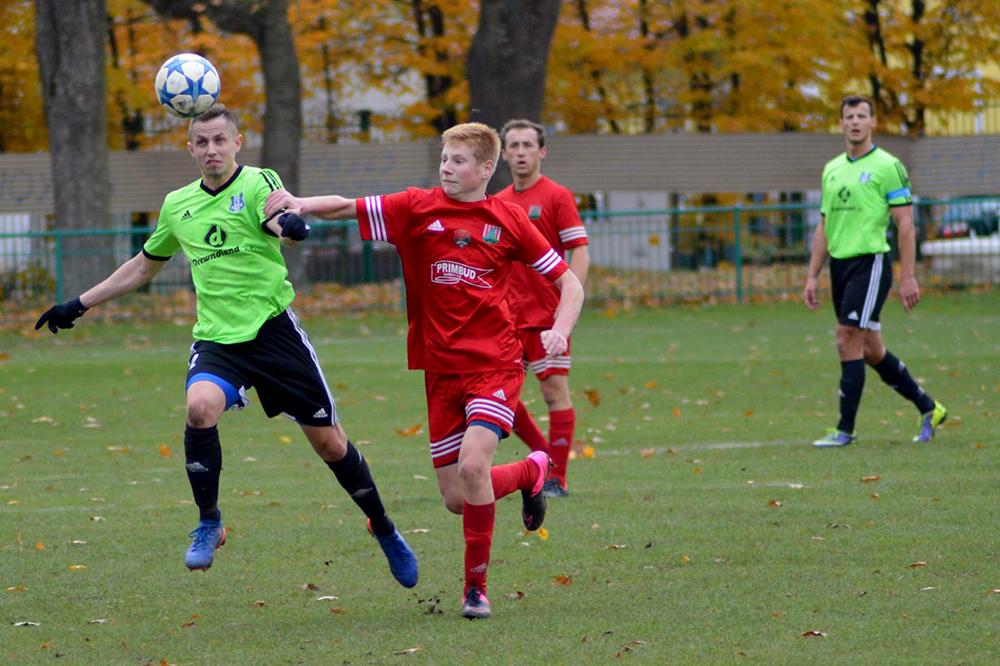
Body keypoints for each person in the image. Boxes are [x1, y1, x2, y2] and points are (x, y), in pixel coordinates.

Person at [34, 105, 418, 588]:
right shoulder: (178, 205)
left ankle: (383, 526)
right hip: (218, 340)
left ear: (237, 143)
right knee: (199, 408)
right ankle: (210, 521)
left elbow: (277, 217)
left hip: (275, 335)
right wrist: (78, 303)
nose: (212, 150)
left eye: (220, 140)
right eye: (202, 142)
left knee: (329, 443)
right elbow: (142, 266)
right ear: (190, 148)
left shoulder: (258, 182)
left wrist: (291, 228)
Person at [263, 122, 585, 619]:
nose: (447, 168)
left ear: (484, 169)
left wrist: (560, 329)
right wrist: (302, 204)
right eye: (444, 159)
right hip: (439, 372)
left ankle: (475, 590)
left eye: (459, 161)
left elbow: (571, 284)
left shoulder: (510, 219)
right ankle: (530, 471)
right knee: (458, 497)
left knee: (474, 466)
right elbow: (350, 207)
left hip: (494, 365)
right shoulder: (417, 207)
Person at [803, 95, 947, 447]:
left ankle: (844, 430)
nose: (855, 121)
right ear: (841, 124)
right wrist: (812, 275)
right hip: (840, 266)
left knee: (846, 337)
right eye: (849, 116)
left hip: (871, 264)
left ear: (872, 123)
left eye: (861, 116)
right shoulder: (832, 169)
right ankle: (929, 408)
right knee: (870, 351)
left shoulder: (888, 166)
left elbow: (906, 224)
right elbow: (823, 225)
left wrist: (908, 276)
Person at [496, 119, 590, 498]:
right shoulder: (498, 202)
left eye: (527, 145)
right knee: (503, 396)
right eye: (514, 146)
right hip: (505, 318)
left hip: (546, 315)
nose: (520, 152)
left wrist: (571, 302)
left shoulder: (557, 196)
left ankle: (557, 478)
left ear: (542, 152)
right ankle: (544, 461)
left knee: (554, 393)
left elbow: (579, 249)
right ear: (503, 154)